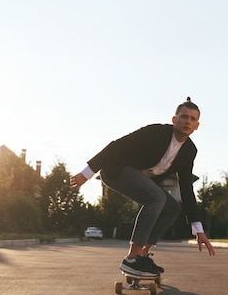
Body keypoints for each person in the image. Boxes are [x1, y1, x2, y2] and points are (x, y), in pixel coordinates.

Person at [70, 97, 215, 277]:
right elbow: (116, 146)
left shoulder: (189, 151)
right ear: (174, 120)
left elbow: (186, 187)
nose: (188, 121)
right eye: (184, 117)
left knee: (172, 207)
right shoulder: (155, 132)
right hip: (117, 170)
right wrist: (87, 172)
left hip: (141, 180)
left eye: (193, 119)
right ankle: (132, 258)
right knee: (157, 198)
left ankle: (142, 256)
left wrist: (198, 229)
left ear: (197, 126)